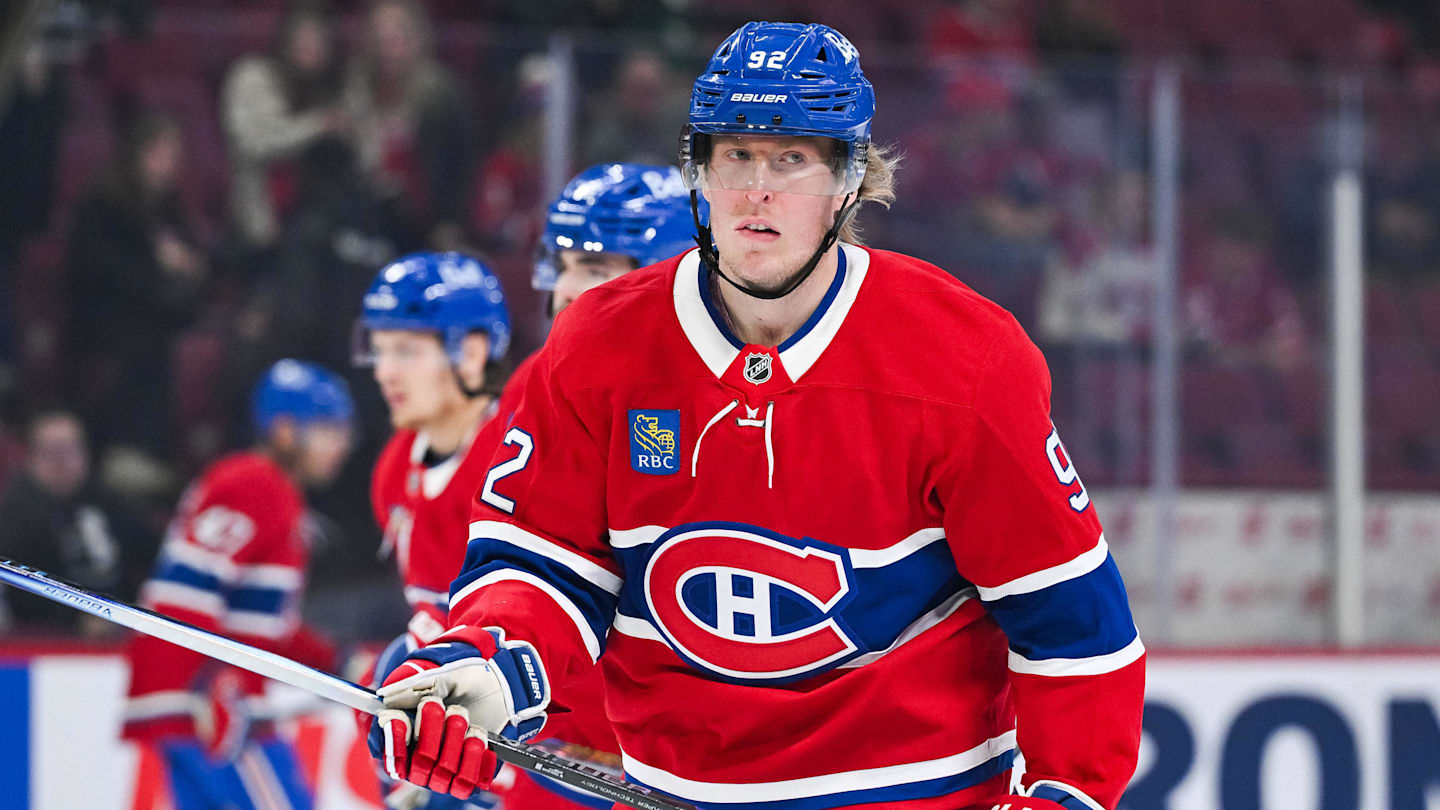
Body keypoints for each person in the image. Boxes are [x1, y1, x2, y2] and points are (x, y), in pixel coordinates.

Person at [370, 22, 1144, 810]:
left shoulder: (966, 358)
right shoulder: (596, 347)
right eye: (734, 155)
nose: (756, 190)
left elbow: (1074, 627)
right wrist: (488, 661)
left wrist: (1063, 796)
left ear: (850, 182)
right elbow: (541, 566)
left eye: (791, 159)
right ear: (697, 174)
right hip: (673, 791)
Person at [479, 162, 697, 810]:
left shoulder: (722, 396)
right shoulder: (542, 387)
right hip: (568, 763)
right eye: (564, 265)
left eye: (597, 271)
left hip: (699, 765)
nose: (569, 291)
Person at [123, 360, 355, 810]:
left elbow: (262, 626)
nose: (340, 444)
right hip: (206, 704)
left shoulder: (270, 491)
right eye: (328, 428)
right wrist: (212, 682)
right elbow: (181, 593)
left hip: (198, 701)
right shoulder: (256, 482)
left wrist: (335, 659)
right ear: (285, 430)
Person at [353, 251, 511, 809]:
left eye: (406, 350)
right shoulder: (394, 467)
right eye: (379, 348)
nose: (383, 370)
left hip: (537, 709)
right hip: (449, 703)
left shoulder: (521, 450)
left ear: (469, 353)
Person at [0, 411, 156, 635]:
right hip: (47, 640)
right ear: (31, 457)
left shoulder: (109, 501)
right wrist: (77, 621)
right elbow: (21, 590)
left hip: (122, 629)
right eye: (52, 453)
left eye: (70, 450)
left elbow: (154, 553)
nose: (62, 463)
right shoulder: (14, 517)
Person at [221, 0, 349, 250]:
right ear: (286, 39)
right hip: (259, 219)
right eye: (303, 37)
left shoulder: (335, 92)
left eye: (319, 39)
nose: (311, 47)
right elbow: (255, 142)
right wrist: (318, 125)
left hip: (324, 221)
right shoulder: (252, 77)